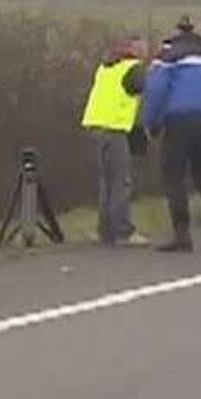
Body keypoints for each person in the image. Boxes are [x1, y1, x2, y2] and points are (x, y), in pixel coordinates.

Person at [140, 27, 201, 252]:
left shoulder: (167, 61)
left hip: (177, 122)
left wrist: (151, 123)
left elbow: (156, 93)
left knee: (174, 178)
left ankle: (182, 233)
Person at [80, 37, 152, 247]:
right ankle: (123, 231)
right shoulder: (134, 68)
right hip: (114, 128)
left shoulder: (107, 66)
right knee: (122, 180)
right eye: (143, 49)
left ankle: (105, 230)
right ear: (135, 50)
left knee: (107, 181)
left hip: (95, 125)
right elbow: (144, 91)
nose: (145, 53)